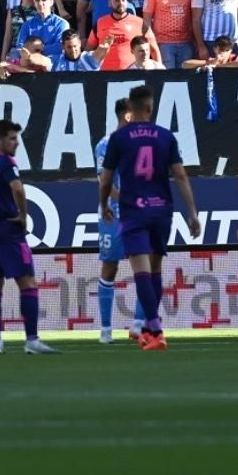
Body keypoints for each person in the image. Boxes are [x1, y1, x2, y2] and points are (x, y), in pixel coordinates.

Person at [98, 84, 203, 350]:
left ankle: (154, 327)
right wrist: (192, 212)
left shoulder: (118, 139)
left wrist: (104, 203)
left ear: (131, 110)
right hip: (162, 209)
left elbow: (106, 178)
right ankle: (147, 326)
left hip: (134, 209)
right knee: (155, 269)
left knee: (141, 270)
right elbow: (180, 175)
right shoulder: (165, 136)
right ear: (150, 107)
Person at [0, 119, 58, 355]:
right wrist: (22, 215)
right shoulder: (5, 162)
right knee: (27, 282)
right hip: (7, 231)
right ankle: (31, 340)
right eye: (11, 138)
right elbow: (18, 188)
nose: (16, 143)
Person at [93, 98, 131, 343]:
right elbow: (103, 180)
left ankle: (140, 326)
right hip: (113, 213)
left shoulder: (142, 143)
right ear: (128, 115)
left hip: (139, 214)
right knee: (110, 267)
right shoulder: (106, 144)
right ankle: (106, 330)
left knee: (148, 265)